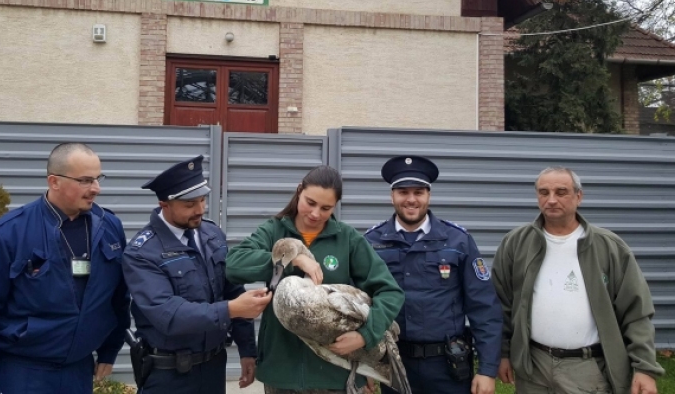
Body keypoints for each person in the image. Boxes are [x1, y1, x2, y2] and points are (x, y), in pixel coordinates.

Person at [0, 142, 130, 394]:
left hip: (78, 372)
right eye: (85, 180)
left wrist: (110, 349)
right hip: (23, 374)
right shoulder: (9, 234)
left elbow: (118, 297)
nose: (96, 188)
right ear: (54, 181)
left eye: (97, 178)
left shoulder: (109, 228)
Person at [226, 165, 405, 394]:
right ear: (299, 190)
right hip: (282, 374)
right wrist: (293, 259)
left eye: (326, 208)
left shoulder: (348, 239)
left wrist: (365, 336)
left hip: (336, 377)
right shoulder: (274, 231)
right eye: (310, 203)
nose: (315, 213)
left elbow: (390, 292)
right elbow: (234, 265)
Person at [492, 167, 664, 394]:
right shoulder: (516, 243)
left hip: (587, 368)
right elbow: (501, 304)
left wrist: (644, 368)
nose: (551, 200)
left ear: (579, 196)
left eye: (561, 192)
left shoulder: (609, 247)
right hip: (533, 367)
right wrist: (503, 353)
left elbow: (636, 312)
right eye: (544, 192)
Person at [122, 155, 271, 394]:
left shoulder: (212, 235)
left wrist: (247, 350)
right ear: (165, 205)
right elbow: (168, 314)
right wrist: (231, 309)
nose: (200, 210)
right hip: (168, 375)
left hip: (213, 367)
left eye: (202, 200)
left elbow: (231, 289)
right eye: (190, 205)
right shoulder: (142, 253)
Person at [364, 156, 502, 394]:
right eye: (403, 192)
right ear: (392, 196)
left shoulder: (458, 240)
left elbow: (484, 307)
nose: (411, 199)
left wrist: (487, 369)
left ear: (429, 195)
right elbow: (360, 306)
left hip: (448, 367)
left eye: (418, 192)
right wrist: (364, 368)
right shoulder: (371, 242)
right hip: (396, 363)